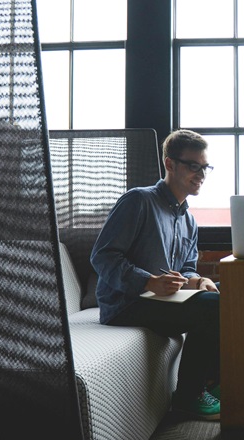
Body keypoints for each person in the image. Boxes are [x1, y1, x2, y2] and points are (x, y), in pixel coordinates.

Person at [90, 129, 222, 420]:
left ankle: (215, 380)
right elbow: (102, 256)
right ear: (170, 164)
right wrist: (148, 281)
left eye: (205, 167)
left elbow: (186, 268)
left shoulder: (188, 220)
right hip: (126, 304)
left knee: (228, 293)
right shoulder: (138, 200)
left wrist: (198, 280)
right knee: (216, 307)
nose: (201, 174)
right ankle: (188, 397)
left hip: (163, 301)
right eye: (193, 166)